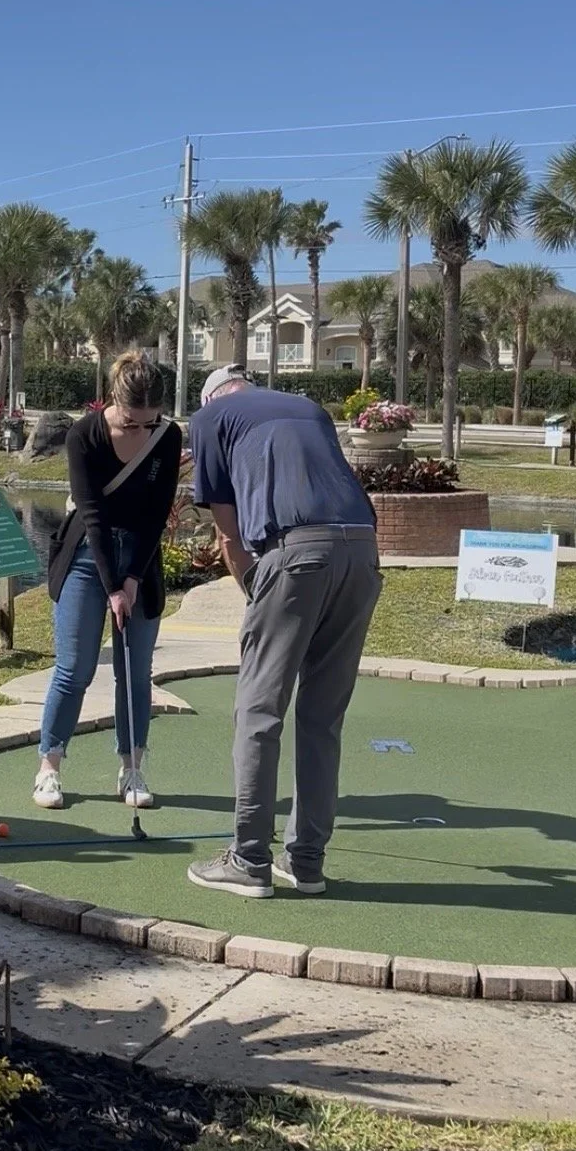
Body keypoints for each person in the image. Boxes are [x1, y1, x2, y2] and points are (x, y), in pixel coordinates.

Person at [186, 363, 382, 899]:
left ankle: (248, 860)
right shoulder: (307, 407)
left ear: (212, 398)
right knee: (322, 717)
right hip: (362, 552)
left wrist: (257, 594)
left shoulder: (209, 419)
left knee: (259, 711)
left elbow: (229, 536)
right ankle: (307, 862)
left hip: (296, 553)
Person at [34, 352, 182, 810]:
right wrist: (113, 586)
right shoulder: (83, 435)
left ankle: (132, 768)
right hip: (87, 554)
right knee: (74, 668)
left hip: (141, 557)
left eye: (149, 422)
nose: (140, 430)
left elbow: (156, 513)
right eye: (131, 422)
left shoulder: (167, 436)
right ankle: (49, 768)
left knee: (135, 671)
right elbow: (92, 514)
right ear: (113, 400)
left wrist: (133, 577)